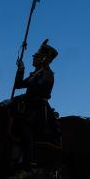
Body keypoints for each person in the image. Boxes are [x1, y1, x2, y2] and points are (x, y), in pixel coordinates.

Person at [11, 39, 58, 169]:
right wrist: (21, 69)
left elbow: (39, 90)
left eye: (36, 57)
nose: (33, 59)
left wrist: (23, 97)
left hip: (38, 107)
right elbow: (18, 85)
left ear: (44, 59)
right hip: (29, 104)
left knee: (25, 125)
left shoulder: (47, 74)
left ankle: (28, 159)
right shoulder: (35, 74)